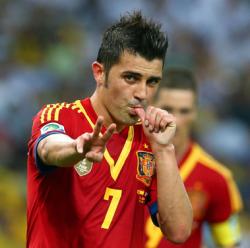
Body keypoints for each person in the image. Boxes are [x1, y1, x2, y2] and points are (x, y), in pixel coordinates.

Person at [27, 12, 193, 248]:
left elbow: (179, 231)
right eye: (131, 78)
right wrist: (77, 149)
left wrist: (164, 149)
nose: (142, 94)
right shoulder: (58, 116)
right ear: (99, 72)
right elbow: (49, 148)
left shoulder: (150, 140)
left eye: (152, 81)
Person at [144, 68, 243, 248]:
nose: (175, 120)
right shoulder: (126, 156)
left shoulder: (217, 178)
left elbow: (230, 243)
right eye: (167, 109)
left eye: (184, 111)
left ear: (195, 113)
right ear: (151, 104)